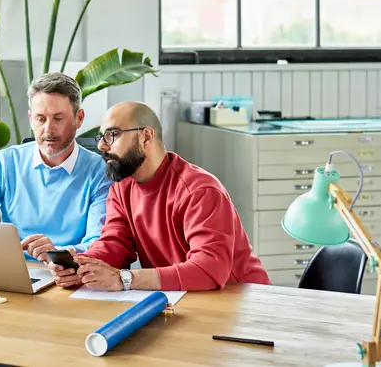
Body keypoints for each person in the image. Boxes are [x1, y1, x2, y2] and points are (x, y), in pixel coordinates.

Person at [49, 101, 270, 291]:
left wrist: (125, 279)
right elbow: (115, 243)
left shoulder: (200, 191)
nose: (101, 145)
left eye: (112, 135)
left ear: (146, 136)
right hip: (183, 299)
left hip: (243, 300)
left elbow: (209, 269)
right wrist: (81, 265)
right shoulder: (121, 188)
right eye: (101, 136)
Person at [0, 72, 111, 262]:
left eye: (58, 118)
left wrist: (57, 254)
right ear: (31, 119)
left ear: (79, 118)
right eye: (40, 119)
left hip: (73, 273)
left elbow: (100, 244)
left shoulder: (101, 173)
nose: (48, 129)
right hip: (13, 272)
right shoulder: (4, 163)